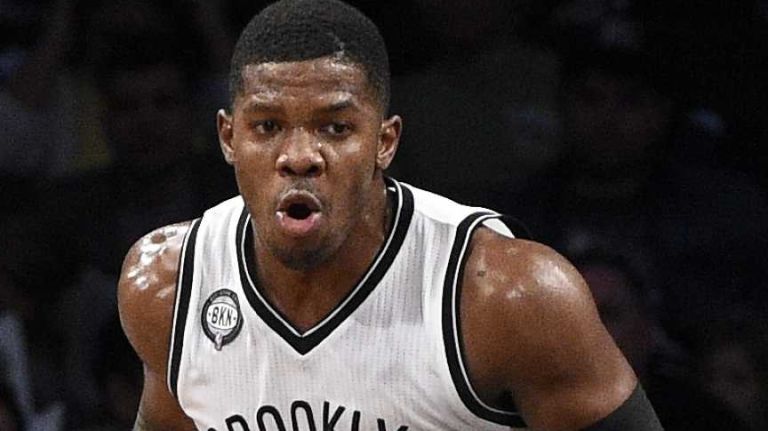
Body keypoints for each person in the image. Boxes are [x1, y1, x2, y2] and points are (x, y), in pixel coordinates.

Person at [118, 0, 663, 429]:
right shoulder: (167, 286)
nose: (300, 155)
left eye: (336, 127)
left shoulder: (507, 294)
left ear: (384, 141)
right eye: (266, 126)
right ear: (227, 137)